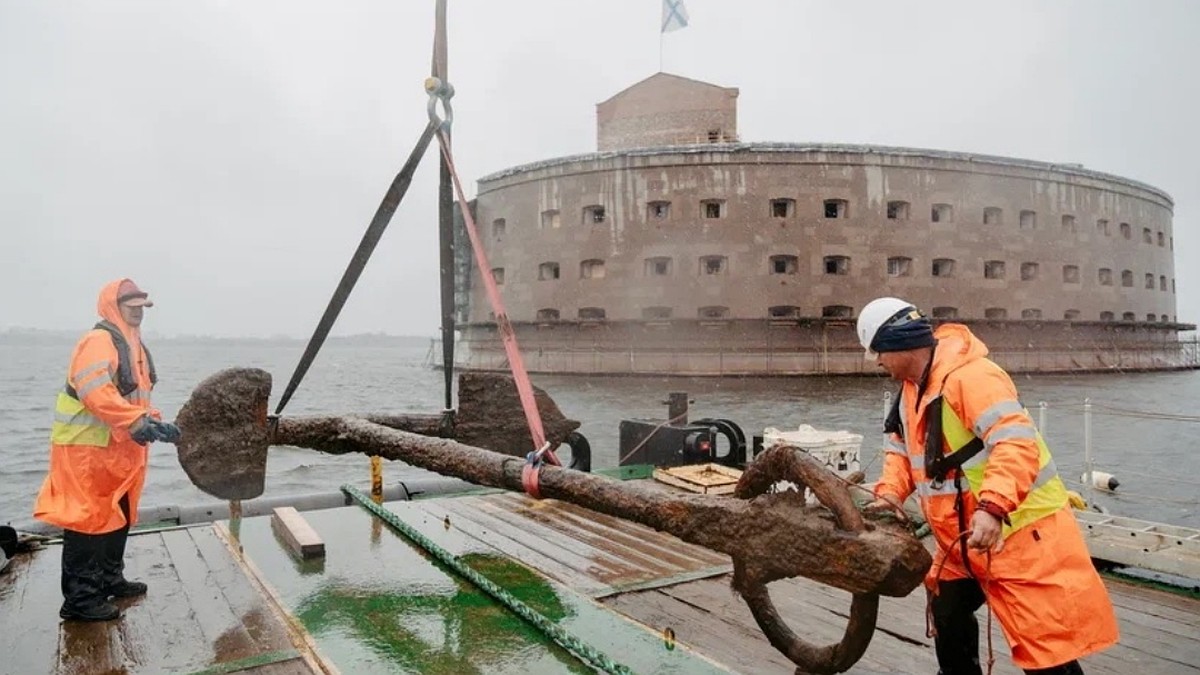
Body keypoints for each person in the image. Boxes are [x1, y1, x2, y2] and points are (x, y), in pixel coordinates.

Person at [857, 297, 1118, 675]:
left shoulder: (973, 378)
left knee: (1042, 648)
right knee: (947, 613)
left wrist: (993, 507)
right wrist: (889, 497)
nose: (877, 363)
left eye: (876, 353)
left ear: (897, 343)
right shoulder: (910, 392)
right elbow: (899, 455)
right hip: (960, 542)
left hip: (1016, 536)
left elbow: (1014, 444)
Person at [33, 279, 181, 622]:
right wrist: (134, 421)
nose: (138, 310)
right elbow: (95, 392)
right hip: (87, 450)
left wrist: (156, 422)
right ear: (113, 305)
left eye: (143, 305)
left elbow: (134, 397)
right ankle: (81, 600)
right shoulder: (98, 341)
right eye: (132, 304)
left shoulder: (135, 345)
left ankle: (110, 579)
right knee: (87, 519)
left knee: (120, 512)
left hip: (121, 450)